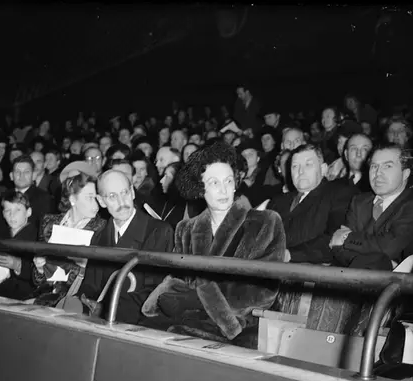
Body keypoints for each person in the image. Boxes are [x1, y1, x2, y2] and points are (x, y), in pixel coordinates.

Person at [140, 141, 286, 347]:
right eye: (214, 183)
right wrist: (160, 298)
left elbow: (263, 291)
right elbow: (178, 277)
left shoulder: (265, 222)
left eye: (228, 181)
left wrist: (195, 299)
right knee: (142, 331)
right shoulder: (186, 228)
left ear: (235, 183)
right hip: (190, 318)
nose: (224, 190)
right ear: (201, 189)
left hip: (240, 323)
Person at [78, 170, 174, 324]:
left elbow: (154, 291)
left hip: (136, 323)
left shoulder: (159, 231)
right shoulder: (99, 236)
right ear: (101, 201)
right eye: (112, 196)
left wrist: (105, 309)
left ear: (132, 193)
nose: (121, 202)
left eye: (124, 193)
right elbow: (90, 286)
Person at [268, 144, 357, 264]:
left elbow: (335, 238)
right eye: (295, 166)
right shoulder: (277, 202)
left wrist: (290, 255)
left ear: (323, 169)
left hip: (311, 270)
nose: (300, 171)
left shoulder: (339, 194)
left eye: (308, 164)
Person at [32, 162, 106, 307]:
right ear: (72, 199)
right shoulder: (49, 222)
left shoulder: (101, 227)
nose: (96, 204)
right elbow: (37, 280)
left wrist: (85, 267)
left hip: (79, 300)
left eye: (96, 198)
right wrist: (39, 268)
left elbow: (98, 280)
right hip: (45, 296)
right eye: (89, 197)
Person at [331, 146, 413, 270]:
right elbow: (338, 249)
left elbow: (389, 247)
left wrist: (346, 237)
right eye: (374, 166)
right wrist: (382, 262)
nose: (378, 173)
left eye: (387, 166)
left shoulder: (409, 205)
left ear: (405, 173)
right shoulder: (359, 202)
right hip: (352, 275)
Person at [10, 155, 56, 226]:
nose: (21, 176)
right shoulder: (5, 196)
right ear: (11, 175)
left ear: (34, 175)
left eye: (26, 172)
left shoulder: (44, 199)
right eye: (17, 172)